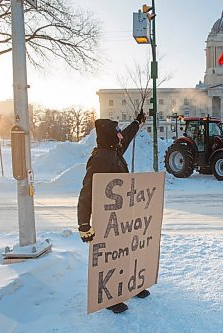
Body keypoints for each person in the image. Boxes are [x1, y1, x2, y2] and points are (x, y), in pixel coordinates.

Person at [77, 112, 147, 314]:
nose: (120, 134)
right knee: (111, 258)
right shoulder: (100, 159)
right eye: (116, 131)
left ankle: (131, 285)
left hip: (121, 217)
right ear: (109, 134)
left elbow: (127, 135)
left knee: (127, 252)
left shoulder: (114, 151)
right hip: (107, 220)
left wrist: (136, 123)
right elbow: (86, 192)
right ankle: (110, 297)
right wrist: (84, 225)